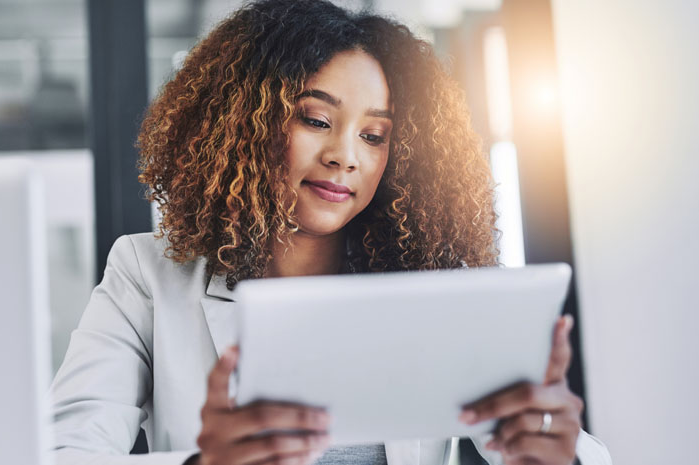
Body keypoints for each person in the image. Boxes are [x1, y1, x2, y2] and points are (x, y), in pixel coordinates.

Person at [49, 1, 612, 464]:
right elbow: (64, 453)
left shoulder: (434, 288)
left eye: (375, 135)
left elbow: (569, 452)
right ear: (244, 124)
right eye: (317, 120)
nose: (346, 157)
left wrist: (555, 454)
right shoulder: (146, 277)